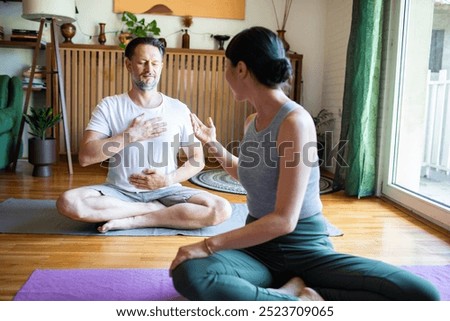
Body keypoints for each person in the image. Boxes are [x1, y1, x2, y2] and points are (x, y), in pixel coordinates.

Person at [169, 27, 440, 301]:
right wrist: (212, 143)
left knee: (422, 294)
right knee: (189, 273)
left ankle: (292, 295)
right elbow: (248, 175)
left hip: (305, 248)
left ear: (240, 69)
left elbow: (285, 221)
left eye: (226, 67)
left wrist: (208, 244)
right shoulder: (252, 121)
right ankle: (297, 298)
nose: (225, 75)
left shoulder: (294, 122)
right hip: (257, 249)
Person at [56, 37, 231, 233]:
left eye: (155, 63)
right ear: (128, 65)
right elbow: (86, 157)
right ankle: (150, 210)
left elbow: (197, 159)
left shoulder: (178, 109)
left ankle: (134, 220)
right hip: (119, 192)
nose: (150, 69)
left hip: (168, 190)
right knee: (68, 202)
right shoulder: (109, 106)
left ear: (162, 66)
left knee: (221, 209)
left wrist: (167, 180)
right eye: (142, 62)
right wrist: (129, 136)